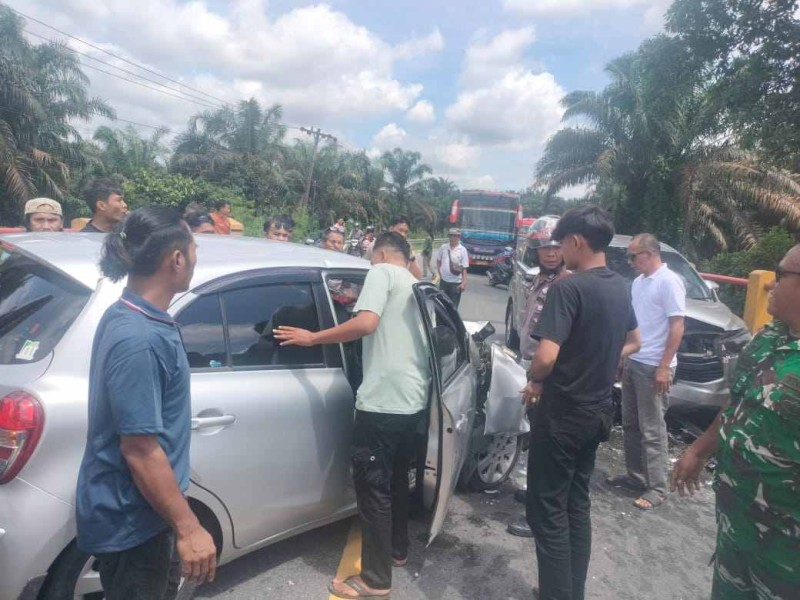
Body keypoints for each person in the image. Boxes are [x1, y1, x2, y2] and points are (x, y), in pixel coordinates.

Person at [274, 232, 430, 600]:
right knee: (395, 480)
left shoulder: (381, 273)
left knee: (373, 490)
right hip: (412, 400)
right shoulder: (416, 282)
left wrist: (313, 339)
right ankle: (397, 550)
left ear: (380, 253)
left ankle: (375, 580)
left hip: (381, 403)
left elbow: (365, 324)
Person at [76, 207, 217, 599]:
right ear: (176, 259)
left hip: (144, 514)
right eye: (194, 248)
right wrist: (189, 528)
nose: (195, 257)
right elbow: (139, 449)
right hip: (134, 521)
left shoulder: (135, 314)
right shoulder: (138, 337)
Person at [520, 205, 641, 600]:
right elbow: (635, 340)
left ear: (575, 241)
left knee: (547, 511)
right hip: (598, 411)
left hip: (563, 414)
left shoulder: (568, 287)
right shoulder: (620, 286)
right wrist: (600, 358)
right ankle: (570, 590)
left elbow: (546, 356)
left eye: (562, 244)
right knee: (576, 503)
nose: (559, 252)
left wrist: (535, 381)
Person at [671, 243, 800, 599]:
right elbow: (737, 403)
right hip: (737, 525)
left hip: (787, 553)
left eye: (782, 275)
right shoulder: (770, 338)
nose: (771, 285)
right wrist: (698, 450)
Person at [606, 234, 685, 511]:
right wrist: (623, 356)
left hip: (654, 366)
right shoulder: (639, 283)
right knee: (630, 423)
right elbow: (635, 325)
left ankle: (658, 487)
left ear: (650, 254)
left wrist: (664, 366)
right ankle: (635, 476)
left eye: (633, 256)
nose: (630, 261)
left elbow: (677, 326)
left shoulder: (669, 281)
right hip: (635, 361)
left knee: (652, 429)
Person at [506, 216, 568, 538]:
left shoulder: (564, 285)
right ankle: (531, 493)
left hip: (547, 370)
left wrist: (541, 376)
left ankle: (538, 517)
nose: (550, 253)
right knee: (532, 433)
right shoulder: (539, 281)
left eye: (556, 247)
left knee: (542, 440)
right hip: (532, 363)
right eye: (544, 247)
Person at [436, 228, 470, 308]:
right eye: (450, 235)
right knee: (441, 305)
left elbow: (464, 268)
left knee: (453, 307)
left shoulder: (462, 250)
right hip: (444, 281)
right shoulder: (443, 247)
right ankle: (441, 321)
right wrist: (439, 273)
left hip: (456, 283)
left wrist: (464, 283)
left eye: (454, 236)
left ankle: (451, 320)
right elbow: (438, 261)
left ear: (458, 237)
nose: (452, 238)